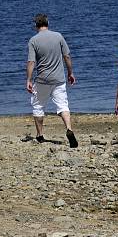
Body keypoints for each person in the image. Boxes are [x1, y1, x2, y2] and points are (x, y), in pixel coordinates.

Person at [26, 13, 78, 148]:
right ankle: (69, 128)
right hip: (59, 79)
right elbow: (67, 56)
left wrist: (29, 79)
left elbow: (31, 62)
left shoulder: (33, 40)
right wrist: (70, 72)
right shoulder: (58, 36)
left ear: (35, 25)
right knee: (63, 106)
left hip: (42, 79)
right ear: (48, 23)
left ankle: (40, 135)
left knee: (38, 106)